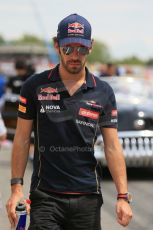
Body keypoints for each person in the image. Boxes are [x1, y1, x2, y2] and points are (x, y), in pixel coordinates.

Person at [6, 13, 133, 230]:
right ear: (57, 45)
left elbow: (112, 146)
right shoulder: (34, 86)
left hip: (88, 198)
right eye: (68, 48)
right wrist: (16, 189)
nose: (75, 55)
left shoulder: (103, 91)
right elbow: (22, 138)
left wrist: (122, 196)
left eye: (81, 49)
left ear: (90, 47)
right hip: (45, 196)